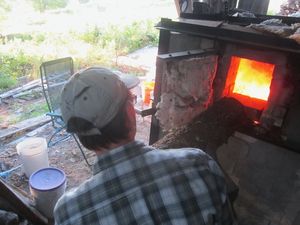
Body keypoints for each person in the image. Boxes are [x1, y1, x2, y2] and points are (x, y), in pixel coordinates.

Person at [54, 67, 235, 225]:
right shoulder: (199, 165)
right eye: (131, 100)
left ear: (81, 136)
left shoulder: (69, 213)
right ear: (129, 113)